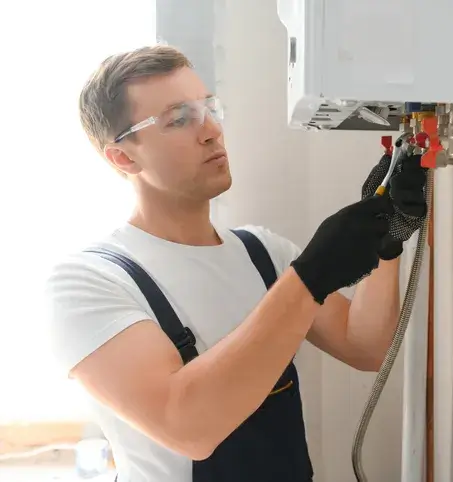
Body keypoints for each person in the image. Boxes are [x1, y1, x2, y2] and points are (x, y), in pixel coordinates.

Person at [44, 45, 428, 482]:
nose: (211, 131)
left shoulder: (262, 253)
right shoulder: (87, 283)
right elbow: (187, 426)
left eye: (208, 108)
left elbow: (366, 347)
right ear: (123, 156)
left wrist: (387, 238)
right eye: (179, 119)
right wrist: (309, 279)